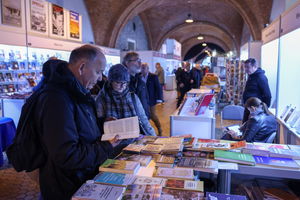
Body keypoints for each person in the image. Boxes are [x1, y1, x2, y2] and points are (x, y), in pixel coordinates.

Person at [33, 45, 119, 199]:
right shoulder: (57, 99)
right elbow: (67, 155)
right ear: (82, 68)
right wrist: (106, 147)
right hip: (65, 187)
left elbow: (77, 126)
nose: (100, 78)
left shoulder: (76, 91)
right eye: (98, 72)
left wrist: (101, 124)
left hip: (79, 180)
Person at [96, 64, 156, 137]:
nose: (122, 86)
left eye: (125, 82)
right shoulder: (102, 98)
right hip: (112, 142)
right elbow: (98, 123)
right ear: (110, 81)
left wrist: (153, 137)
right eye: (118, 82)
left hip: (133, 140)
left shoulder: (133, 97)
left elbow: (144, 120)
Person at [242, 58, 271, 123]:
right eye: (245, 67)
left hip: (255, 110)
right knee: (245, 127)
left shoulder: (261, 77)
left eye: (248, 67)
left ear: (255, 67)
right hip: (249, 108)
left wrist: (264, 109)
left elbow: (267, 95)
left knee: (251, 129)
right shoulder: (251, 76)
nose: (246, 69)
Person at [123, 52, 150, 119]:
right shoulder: (121, 82)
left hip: (143, 119)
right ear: (127, 63)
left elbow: (146, 99)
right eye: (137, 61)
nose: (140, 64)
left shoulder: (140, 81)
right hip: (131, 121)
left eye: (140, 61)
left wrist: (147, 115)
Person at [140, 63, 163, 136]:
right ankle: (146, 131)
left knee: (152, 115)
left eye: (144, 68)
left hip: (151, 99)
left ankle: (159, 128)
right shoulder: (138, 76)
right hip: (142, 100)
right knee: (143, 116)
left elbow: (158, 88)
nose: (142, 69)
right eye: (141, 68)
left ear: (147, 69)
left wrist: (159, 99)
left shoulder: (153, 76)